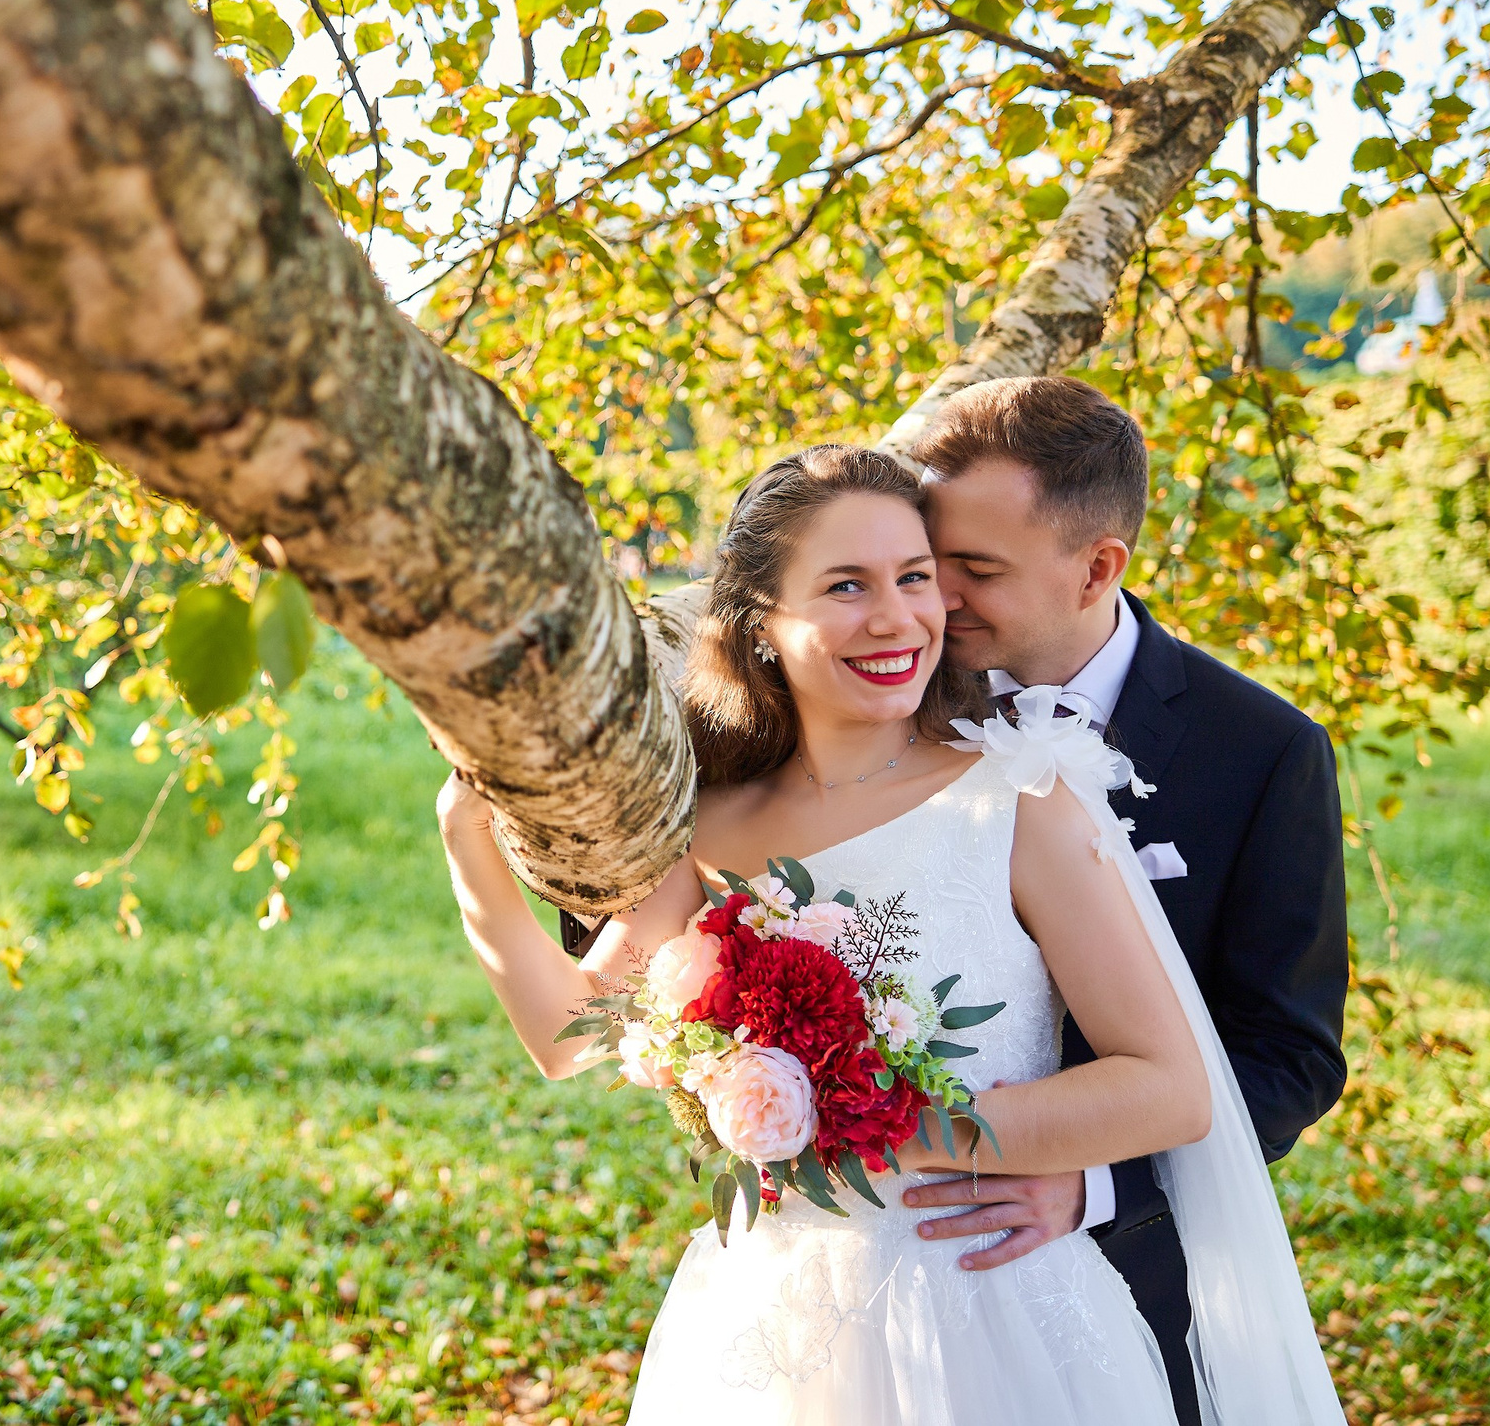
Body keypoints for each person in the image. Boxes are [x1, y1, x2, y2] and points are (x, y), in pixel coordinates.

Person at [441, 445, 1346, 1423]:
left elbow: (1168, 1088)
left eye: (914, 577)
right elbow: (568, 1035)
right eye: (844, 585)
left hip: (993, 1313)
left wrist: (901, 1131)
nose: (896, 616)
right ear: (759, 621)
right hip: (775, 1324)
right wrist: (468, 844)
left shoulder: (1020, 799)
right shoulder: (709, 824)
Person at [901, 378, 1349, 1426]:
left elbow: (1288, 1054)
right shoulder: (881, 700)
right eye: (930, 560)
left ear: (1098, 565)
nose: (933, 598)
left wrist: (1095, 1182)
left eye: (974, 570)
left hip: (1123, 1273)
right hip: (892, 1258)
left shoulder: (1263, 752)